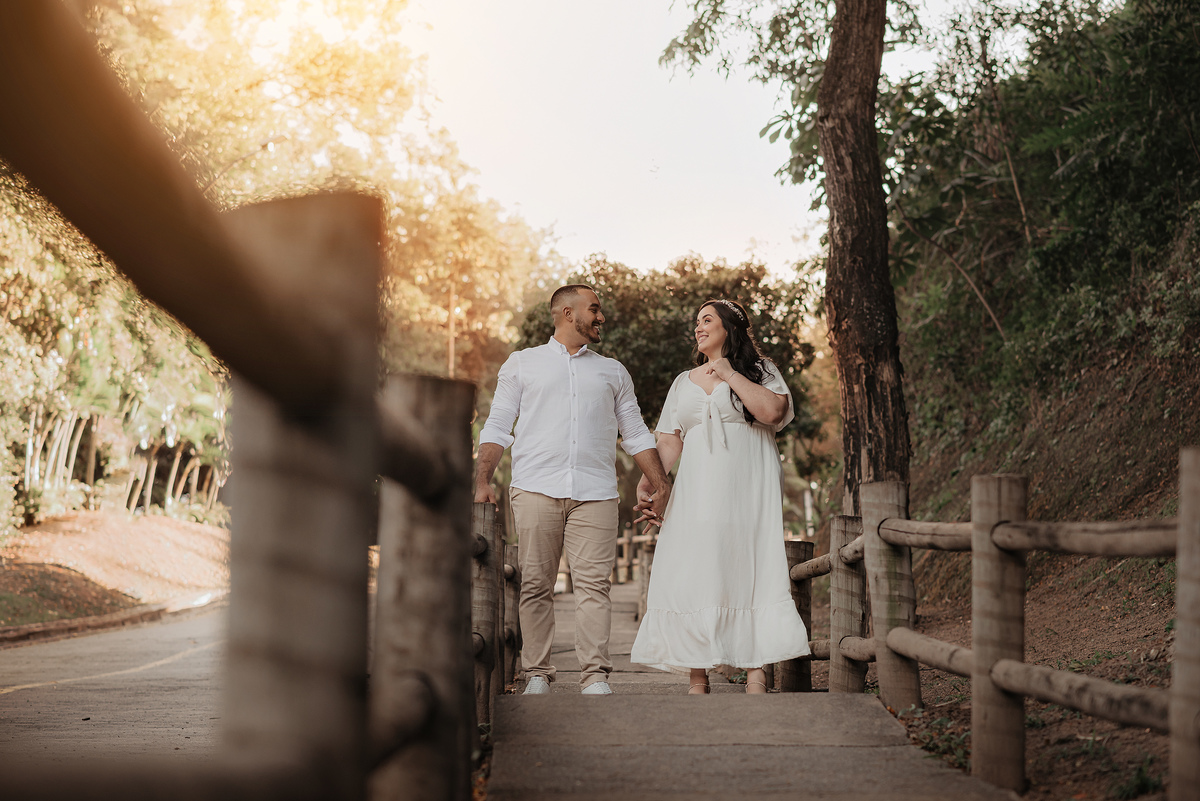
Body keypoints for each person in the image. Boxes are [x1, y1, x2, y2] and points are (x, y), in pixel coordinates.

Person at [475, 284, 672, 695]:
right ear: (567, 313)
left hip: (596, 492)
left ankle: (594, 675)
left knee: (595, 586)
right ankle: (537, 673)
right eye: (594, 309)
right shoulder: (522, 364)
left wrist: (661, 483)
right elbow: (498, 424)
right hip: (534, 487)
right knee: (535, 584)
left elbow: (635, 432)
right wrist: (482, 479)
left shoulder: (613, 371)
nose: (601, 317)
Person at [630, 298, 810, 694]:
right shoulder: (683, 382)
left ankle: (756, 672)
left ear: (730, 327)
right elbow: (669, 441)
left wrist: (728, 373)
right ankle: (698, 674)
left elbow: (772, 414)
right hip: (697, 489)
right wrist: (651, 481)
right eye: (697, 321)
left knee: (751, 563)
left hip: (749, 484)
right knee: (694, 566)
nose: (698, 327)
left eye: (707, 320)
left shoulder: (762, 371)